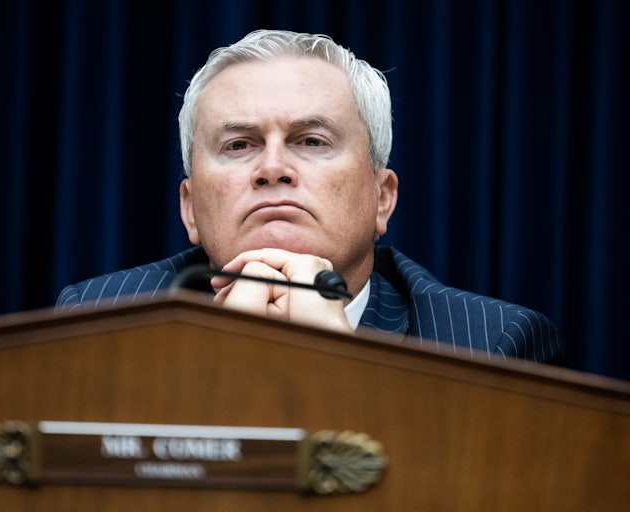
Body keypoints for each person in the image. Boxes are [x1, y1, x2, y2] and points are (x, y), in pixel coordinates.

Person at [56, 29, 562, 364]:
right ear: (190, 208)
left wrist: (341, 373)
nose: (272, 169)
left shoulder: (489, 344)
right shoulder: (101, 322)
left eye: (311, 142)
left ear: (381, 198)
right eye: (239, 145)